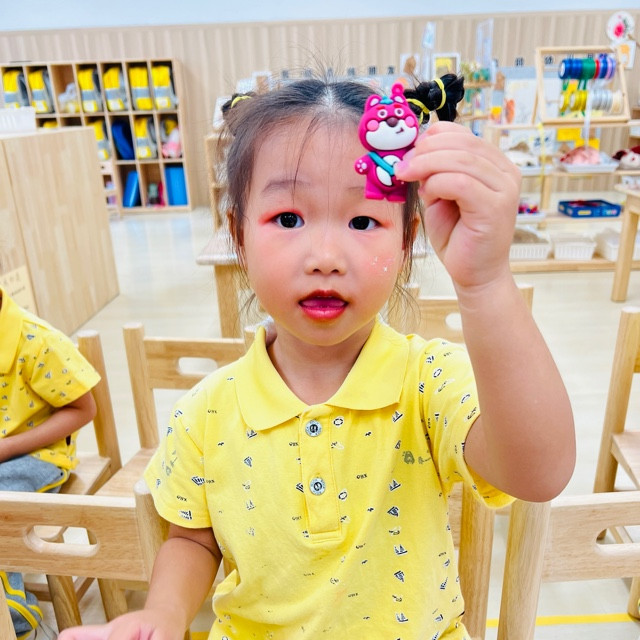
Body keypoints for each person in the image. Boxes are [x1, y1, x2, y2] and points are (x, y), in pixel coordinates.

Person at [59, 72, 575, 640]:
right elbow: (193, 539)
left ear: (406, 241)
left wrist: (486, 281)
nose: (325, 256)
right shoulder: (206, 411)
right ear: (238, 236)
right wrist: (162, 614)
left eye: (363, 220)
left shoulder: (428, 381)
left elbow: (539, 473)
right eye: (288, 219)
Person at [0, 286, 99, 639]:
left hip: (40, 456)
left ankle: (18, 619)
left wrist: (7, 448)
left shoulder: (38, 342)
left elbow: (84, 409)